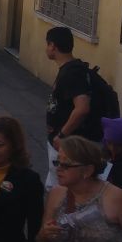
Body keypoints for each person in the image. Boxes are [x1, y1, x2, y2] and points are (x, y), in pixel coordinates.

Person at [44, 26, 101, 189]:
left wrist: (62, 135)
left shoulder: (72, 73)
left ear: (53, 46)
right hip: (62, 143)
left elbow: (82, 108)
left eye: (47, 44)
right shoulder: (69, 70)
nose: (47, 48)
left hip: (66, 145)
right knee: (55, 185)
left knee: (62, 187)